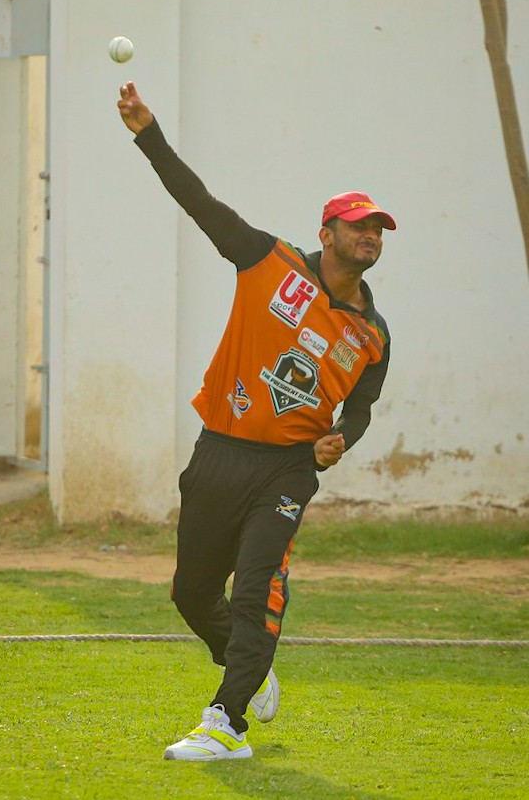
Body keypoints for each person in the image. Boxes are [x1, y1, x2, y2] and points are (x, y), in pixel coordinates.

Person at [117, 81, 396, 761]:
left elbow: (360, 407)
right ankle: (251, 664)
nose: (369, 236)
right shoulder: (267, 260)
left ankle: (227, 722)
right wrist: (148, 134)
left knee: (256, 589)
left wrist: (341, 440)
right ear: (326, 233)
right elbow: (199, 202)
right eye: (358, 225)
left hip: (286, 470)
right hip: (219, 452)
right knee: (191, 594)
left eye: (378, 230)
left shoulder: (373, 334)